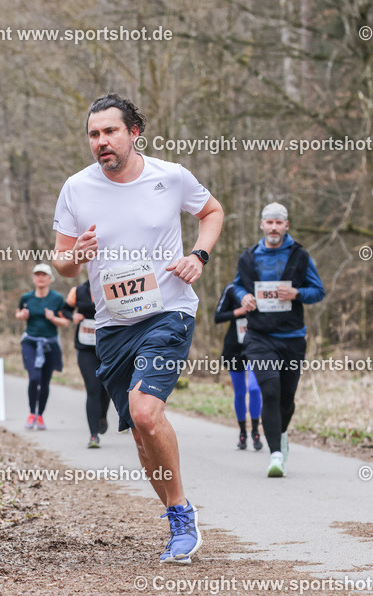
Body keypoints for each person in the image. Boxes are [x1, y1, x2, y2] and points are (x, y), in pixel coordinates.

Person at [52, 93, 224, 564]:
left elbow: (212, 212)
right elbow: (62, 264)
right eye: (93, 134)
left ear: (134, 133)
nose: (101, 142)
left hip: (168, 311)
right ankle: (176, 512)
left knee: (146, 412)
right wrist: (77, 256)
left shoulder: (170, 177)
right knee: (139, 433)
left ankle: (183, 519)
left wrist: (198, 256)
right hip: (112, 325)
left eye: (110, 131)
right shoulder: (77, 188)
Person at [232, 202, 326, 477]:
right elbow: (238, 284)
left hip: (292, 338)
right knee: (269, 391)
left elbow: (318, 291)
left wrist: (296, 294)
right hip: (259, 337)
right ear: (262, 225)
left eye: (278, 223)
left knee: (286, 397)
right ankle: (275, 456)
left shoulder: (300, 256)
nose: (273, 227)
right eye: (269, 222)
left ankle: (281, 433)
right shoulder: (248, 257)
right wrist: (243, 296)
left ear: (286, 226)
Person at [16, 264, 69, 429]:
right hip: (30, 342)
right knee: (34, 378)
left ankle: (40, 415)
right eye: (37, 274)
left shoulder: (57, 299)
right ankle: (32, 413)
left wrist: (53, 318)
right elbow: (18, 313)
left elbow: (65, 321)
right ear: (33, 278)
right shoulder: (26, 298)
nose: (40, 277)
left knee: (45, 381)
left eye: (43, 275)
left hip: (50, 344)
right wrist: (22, 315)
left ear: (49, 278)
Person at [214, 283, 262, 451]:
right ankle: (243, 432)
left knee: (255, 388)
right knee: (240, 392)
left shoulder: (261, 285)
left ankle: (256, 430)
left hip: (257, 345)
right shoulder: (231, 289)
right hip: (234, 347)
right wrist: (239, 312)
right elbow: (217, 316)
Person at [64, 280, 111, 448]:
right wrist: (72, 316)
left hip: (108, 347)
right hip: (85, 347)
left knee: (106, 389)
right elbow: (64, 309)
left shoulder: (113, 284)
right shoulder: (78, 290)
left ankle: (102, 416)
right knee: (93, 389)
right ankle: (93, 436)